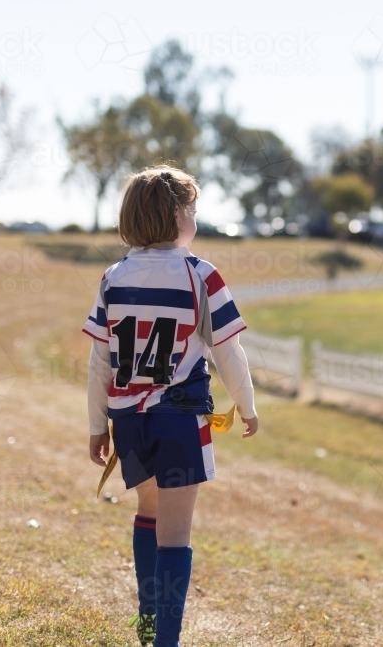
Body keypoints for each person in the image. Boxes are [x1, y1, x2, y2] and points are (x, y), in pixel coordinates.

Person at [82, 166, 259, 647]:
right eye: (194, 211)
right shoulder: (200, 274)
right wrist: (246, 405)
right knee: (176, 534)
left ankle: (147, 625)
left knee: (148, 512)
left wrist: (97, 425)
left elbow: (100, 362)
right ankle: (166, 641)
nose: (197, 220)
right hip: (179, 419)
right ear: (178, 215)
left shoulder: (113, 277)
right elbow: (228, 351)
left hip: (129, 422)